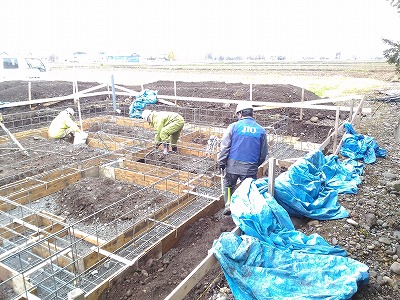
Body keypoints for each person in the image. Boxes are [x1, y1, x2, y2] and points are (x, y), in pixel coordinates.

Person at [217, 103, 268, 215]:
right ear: (252, 113)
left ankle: (229, 204)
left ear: (240, 114)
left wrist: (221, 162)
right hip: (250, 166)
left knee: (229, 185)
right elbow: (263, 153)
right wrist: (255, 164)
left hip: (232, 165)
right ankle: (245, 211)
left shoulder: (233, 127)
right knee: (248, 189)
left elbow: (225, 147)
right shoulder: (261, 130)